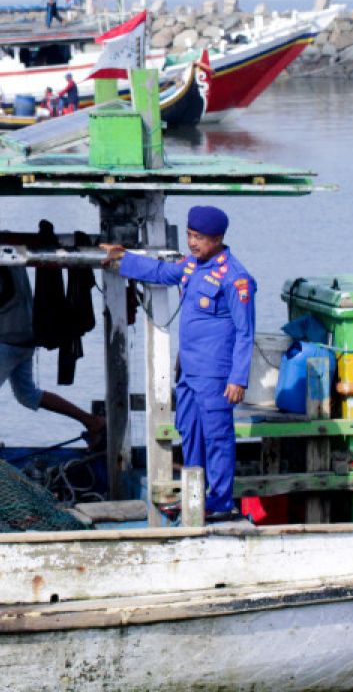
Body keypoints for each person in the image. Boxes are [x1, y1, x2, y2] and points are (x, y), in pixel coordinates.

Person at [101, 205, 255, 520]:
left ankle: (221, 502)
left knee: (217, 437)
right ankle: (194, 493)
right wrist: (123, 258)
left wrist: (238, 379)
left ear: (218, 238)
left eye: (199, 237)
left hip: (216, 375)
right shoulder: (191, 267)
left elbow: (245, 333)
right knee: (189, 432)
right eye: (189, 235)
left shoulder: (235, 278)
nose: (193, 242)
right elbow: (160, 272)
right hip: (188, 374)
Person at [0, 203, 104, 452]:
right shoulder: (9, 246)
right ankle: (92, 422)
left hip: (10, 338)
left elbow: (7, 292)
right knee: (28, 396)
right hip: (25, 335)